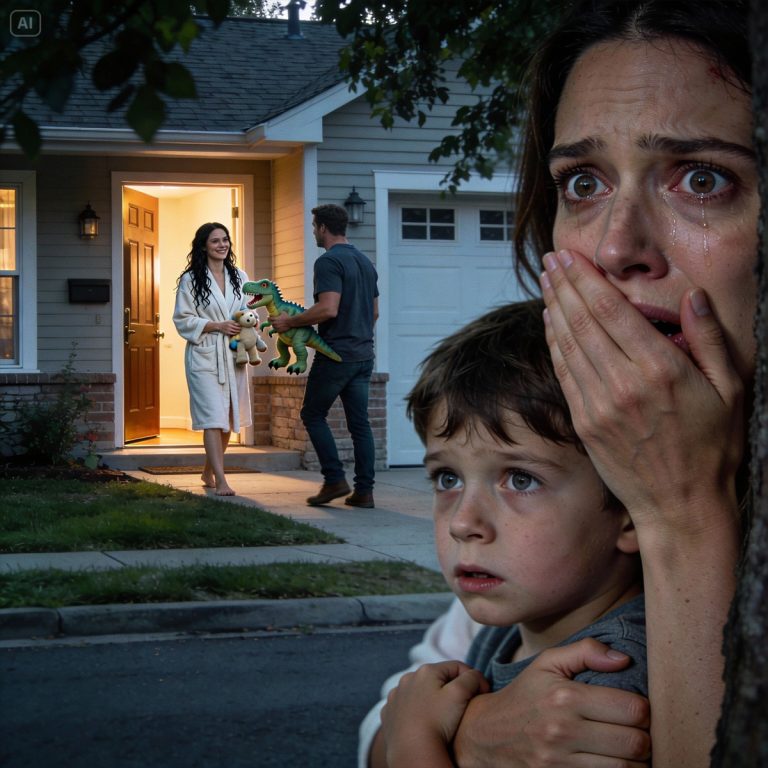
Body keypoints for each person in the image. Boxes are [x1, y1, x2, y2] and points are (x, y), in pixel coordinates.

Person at [359, 1, 755, 766]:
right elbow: (397, 707)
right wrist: (472, 732)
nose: (616, 246)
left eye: (701, 179)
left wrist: (681, 509)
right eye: (583, 183)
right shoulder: (574, 434)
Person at [377, 301, 647, 767]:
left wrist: (413, 740)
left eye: (520, 480)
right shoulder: (512, 632)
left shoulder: (609, 678)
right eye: (448, 479)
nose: (463, 523)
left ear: (631, 510)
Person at [271, 204, 380, 508]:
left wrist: (289, 322)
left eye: (314, 227)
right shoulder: (365, 261)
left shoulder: (329, 262)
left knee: (312, 414)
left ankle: (334, 479)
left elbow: (328, 308)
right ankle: (364, 492)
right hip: (363, 355)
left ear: (322, 228)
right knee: (360, 424)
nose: (313, 233)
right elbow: (374, 312)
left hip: (336, 356)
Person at [173, 222, 252, 497]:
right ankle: (221, 479)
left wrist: (246, 330)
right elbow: (182, 319)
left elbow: (247, 312)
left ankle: (207, 471)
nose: (222, 245)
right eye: (215, 241)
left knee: (230, 417)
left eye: (225, 240)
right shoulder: (191, 279)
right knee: (212, 419)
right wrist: (217, 326)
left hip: (232, 354)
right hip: (205, 355)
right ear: (204, 245)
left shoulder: (240, 277)